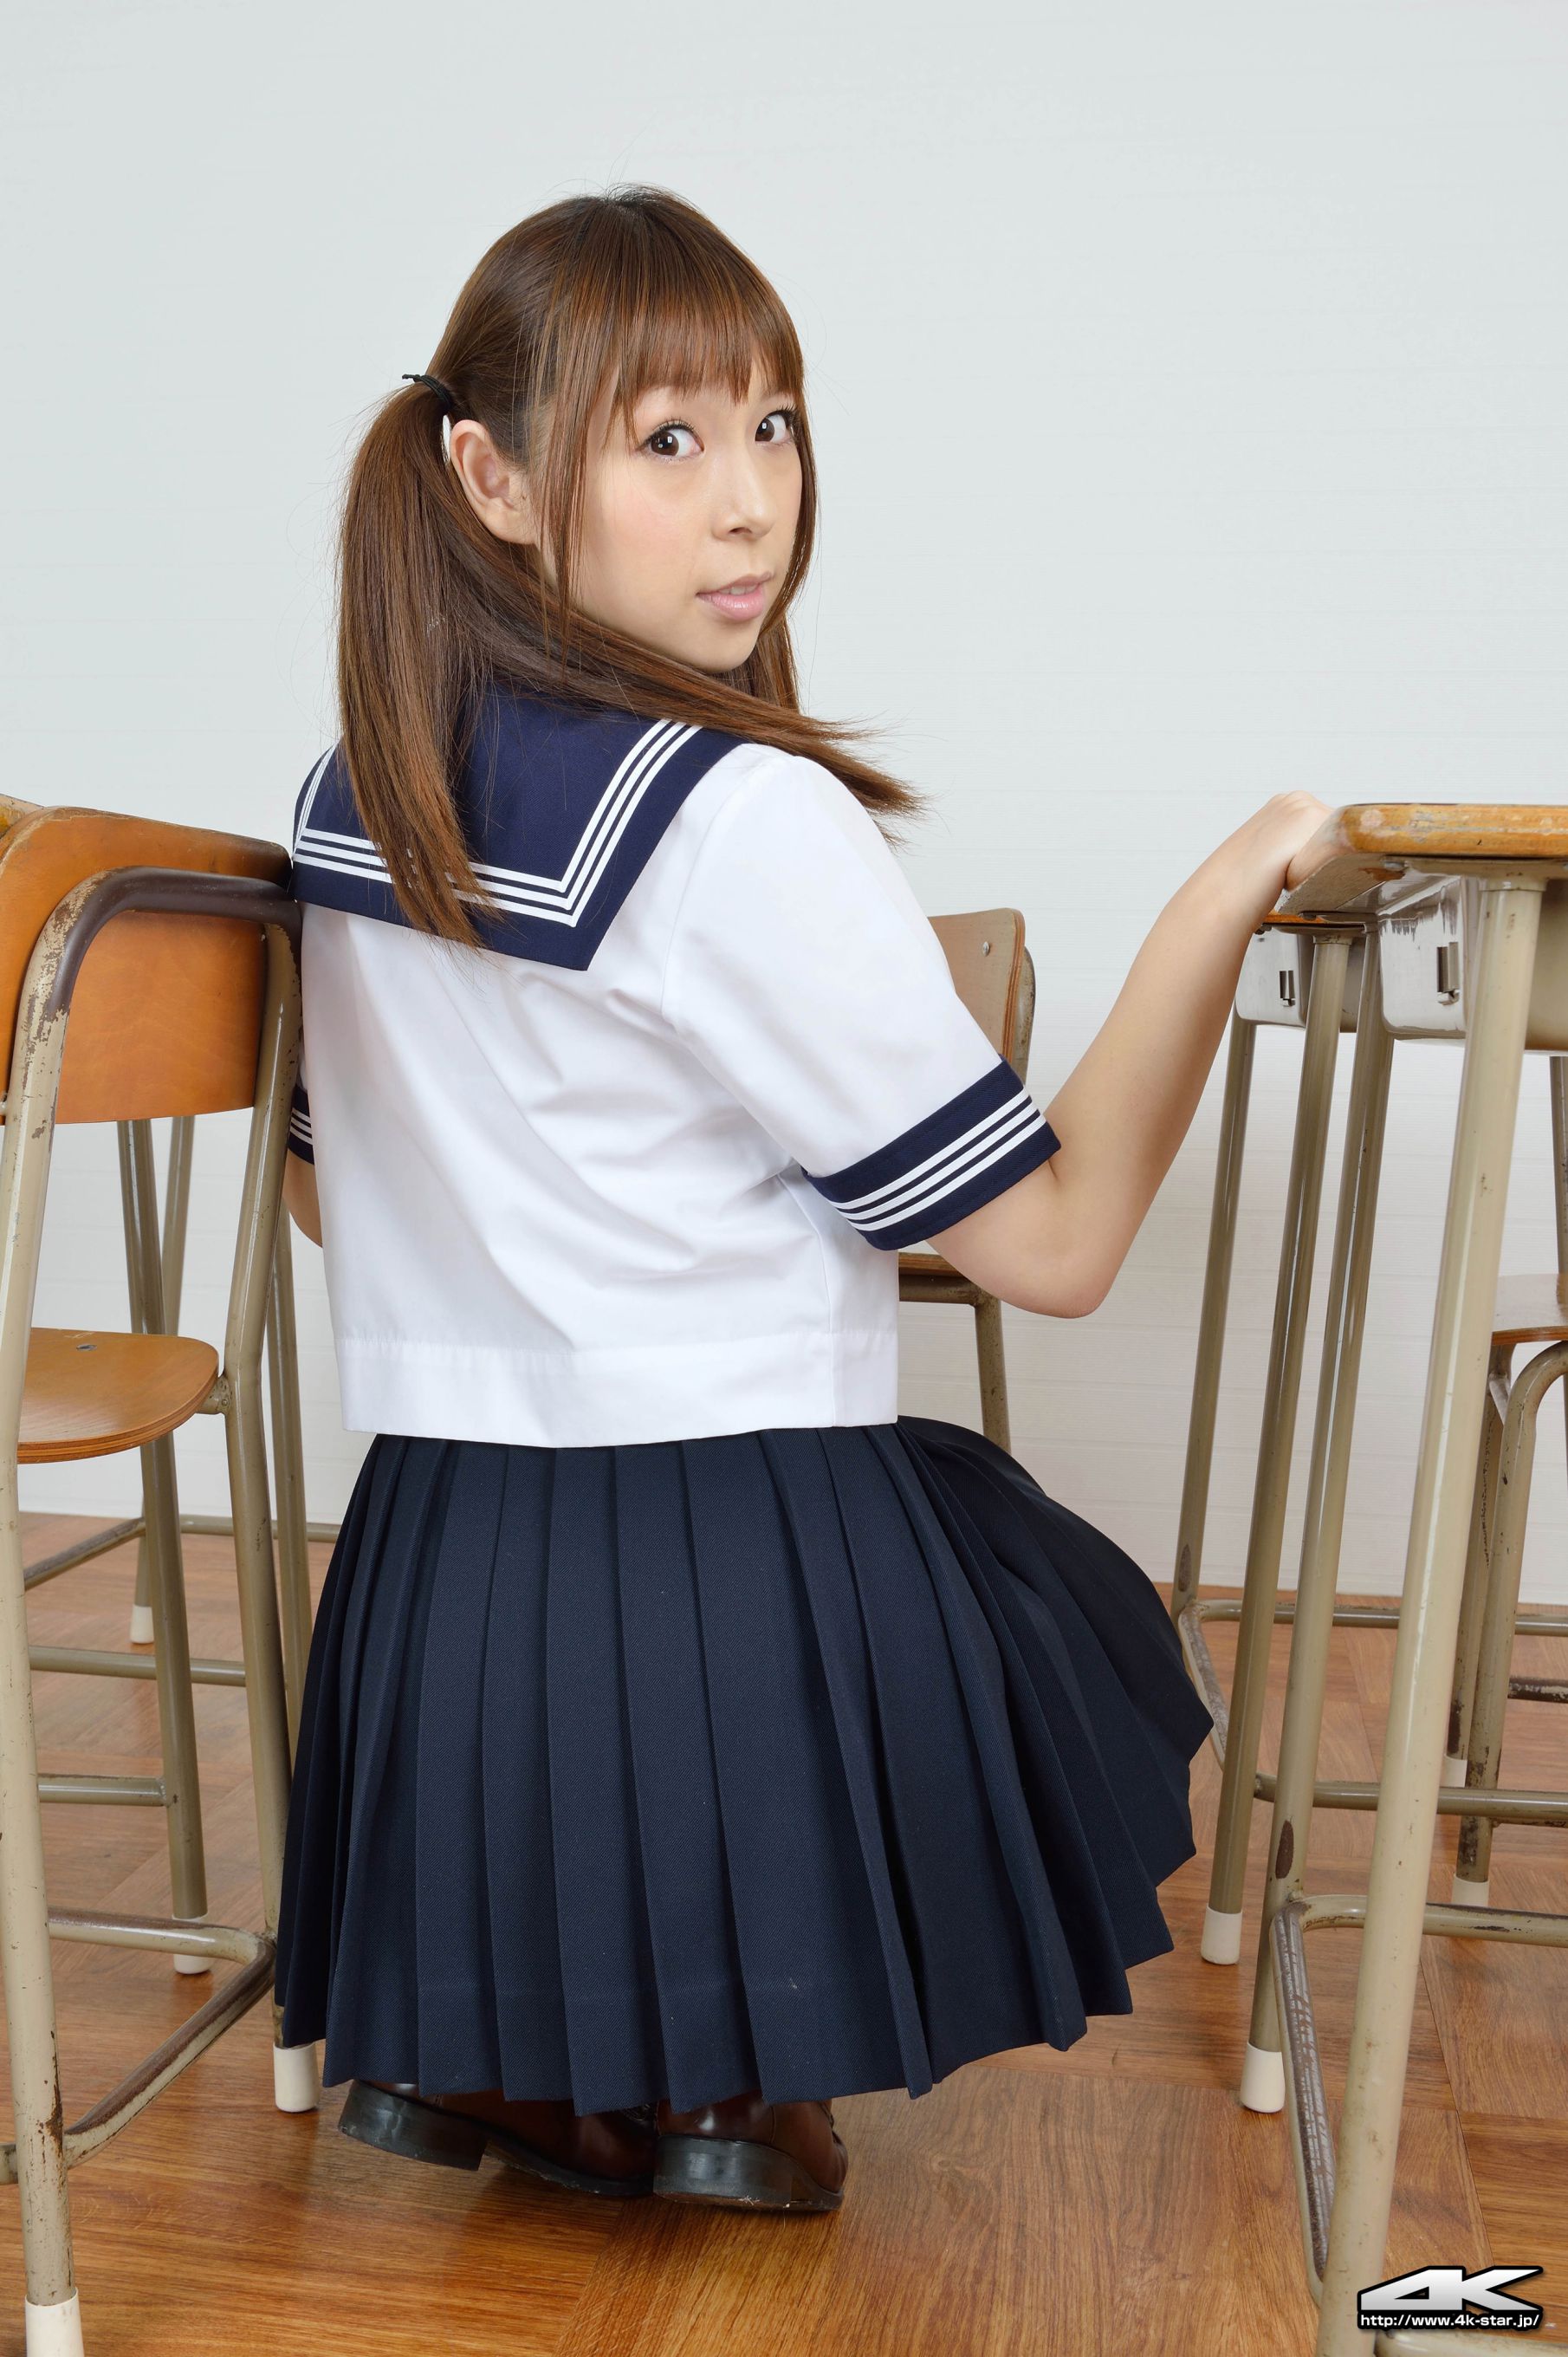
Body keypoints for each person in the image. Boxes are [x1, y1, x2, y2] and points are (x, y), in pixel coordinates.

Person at [270, 184, 1333, 2217]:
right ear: (488, 479)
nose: (749, 500)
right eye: (666, 439)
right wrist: (1220, 891)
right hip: (718, 1566)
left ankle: (525, 2049)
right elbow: (1052, 1251)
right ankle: (724, 2067)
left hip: (429, 1590)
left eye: (769, 424)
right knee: (1059, 1612)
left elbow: (330, 1202)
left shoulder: (354, 792)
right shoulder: (738, 813)